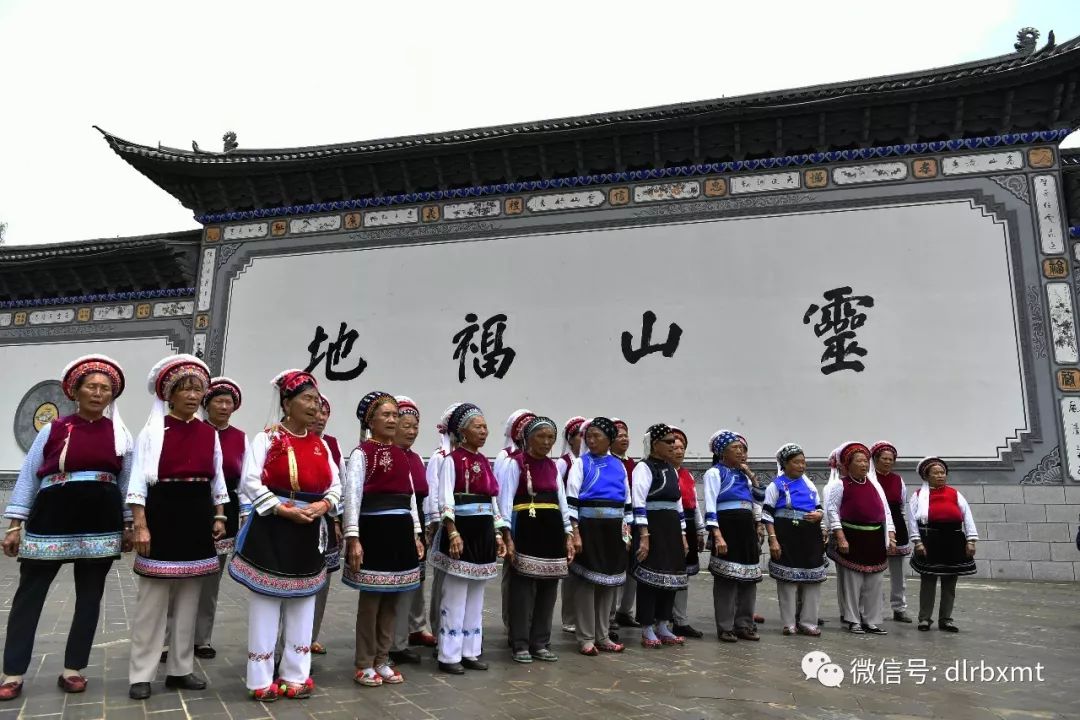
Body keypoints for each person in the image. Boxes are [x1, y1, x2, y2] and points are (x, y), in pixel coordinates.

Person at [0, 355, 133, 701]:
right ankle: (12, 671)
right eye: (91, 386)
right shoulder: (54, 429)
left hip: (100, 519)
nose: (98, 393)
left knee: (90, 598)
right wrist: (15, 525)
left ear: (111, 395)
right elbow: (30, 476)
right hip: (52, 515)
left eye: (105, 388)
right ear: (76, 391)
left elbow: (126, 482)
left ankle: (74, 668)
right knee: (29, 596)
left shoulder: (120, 433)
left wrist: (130, 523)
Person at [228, 369, 341, 701]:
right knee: (266, 605)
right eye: (307, 399)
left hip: (308, 531)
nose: (315, 406)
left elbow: (336, 486)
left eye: (317, 401)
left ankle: (296, 675)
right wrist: (281, 509)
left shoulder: (321, 445)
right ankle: (261, 679)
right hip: (273, 529)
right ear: (287, 403)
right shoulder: (268, 439)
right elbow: (250, 481)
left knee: (304, 605)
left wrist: (322, 506)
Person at [127, 355, 228, 700]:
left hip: (197, 513)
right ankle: (141, 672)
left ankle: (181, 669)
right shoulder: (153, 431)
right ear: (169, 394)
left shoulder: (208, 433)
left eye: (197, 388)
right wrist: (140, 524)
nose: (191, 394)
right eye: (183, 388)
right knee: (153, 599)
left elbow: (216, 479)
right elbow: (138, 480)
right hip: (163, 512)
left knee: (190, 598)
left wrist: (219, 515)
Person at [343, 392, 425, 687]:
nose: (393, 420)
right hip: (374, 532)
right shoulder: (361, 454)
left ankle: (382, 658)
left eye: (395, 415)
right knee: (371, 601)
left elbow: (411, 497)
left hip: (400, 531)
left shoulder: (403, 456)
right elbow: (352, 497)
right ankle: (364, 662)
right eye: (386, 415)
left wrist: (416, 533)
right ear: (370, 420)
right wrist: (353, 538)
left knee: (393, 598)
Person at [176, 378, 249, 662]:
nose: (223, 406)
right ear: (206, 404)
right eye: (217, 401)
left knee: (211, 577)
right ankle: (173, 637)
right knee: (182, 572)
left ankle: (201, 638)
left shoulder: (241, 437)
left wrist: (244, 513)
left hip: (225, 508)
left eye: (228, 402)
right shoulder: (195, 431)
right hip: (192, 503)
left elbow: (244, 480)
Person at [432, 403, 508, 674]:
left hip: (483, 531)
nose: (484, 431)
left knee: (476, 596)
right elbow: (445, 499)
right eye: (478, 426)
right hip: (463, 531)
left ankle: (470, 651)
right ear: (462, 432)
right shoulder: (451, 460)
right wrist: (452, 532)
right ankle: (449, 655)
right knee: (455, 594)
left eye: (485, 426)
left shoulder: (483, 462)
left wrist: (498, 532)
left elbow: (493, 500)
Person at [497, 416, 574, 663]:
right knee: (522, 589)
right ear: (528, 438)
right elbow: (506, 500)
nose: (546, 442)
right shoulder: (515, 464)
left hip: (551, 531)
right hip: (526, 528)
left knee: (548, 588)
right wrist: (507, 535)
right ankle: (519, 642)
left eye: (551, 437)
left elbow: (561, 502)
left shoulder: (552, 467)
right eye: (541, 436)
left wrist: (568, 534)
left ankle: (540, 641)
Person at [566, 417, 631, 656]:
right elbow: (571, 500)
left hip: (613, 529)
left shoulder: (619, 465)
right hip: (589, 526)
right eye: (588, 437)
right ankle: (585, 637)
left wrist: (627, 532)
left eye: (597, 436)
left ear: (609, 439)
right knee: (587, 585)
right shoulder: (581, 464)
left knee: (608, 585)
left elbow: (627, 502)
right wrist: (575, 533)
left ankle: (603, 635)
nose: (591, 441)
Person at [824, 441, 896, 635]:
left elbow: (886, 512)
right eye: (859, 461)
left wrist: (890, 535)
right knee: (852, 582)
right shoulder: (841, 485)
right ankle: (853, 619)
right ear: (849, 464)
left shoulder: (875, 485)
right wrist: (840, 537)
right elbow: (832, 510)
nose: (864, 464)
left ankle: (872, 620)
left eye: (866, 461)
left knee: (874, 582)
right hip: (852, 536)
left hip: (873, 537)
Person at [630, 424, 689, 648]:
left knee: (671, 577)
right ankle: (646, 627)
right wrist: (644, 535)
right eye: (668, 441)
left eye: (675, 441)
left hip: (671, 528)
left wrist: (682, 534)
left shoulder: (671, 469)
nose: (674, 445)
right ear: (655, 444)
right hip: (653, 527)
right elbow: (639, 501)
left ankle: (663, 624)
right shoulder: (643, 468)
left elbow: (678, 504)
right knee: (650, 579)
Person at [389, 396, 436, 665]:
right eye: (406, 425)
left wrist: (426, 525)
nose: (411, 431)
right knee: (395, 583)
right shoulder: (386, 455)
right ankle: (393, 640)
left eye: (415, 426)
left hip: (416, 519)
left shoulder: (417, 458)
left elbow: (423, 494)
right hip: (395, 520)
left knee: (416, 580)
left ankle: (411, 630)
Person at [703, 430, 763, 642]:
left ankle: (744, 624)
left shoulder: (743, 475)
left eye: (742, 448)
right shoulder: (715, 473)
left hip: (746, 528)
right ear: (722, 453)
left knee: (749, 579)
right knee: (726, 581)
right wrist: (717, 534)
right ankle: (725, 627)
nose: (741, 452)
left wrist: (751, 475)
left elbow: (759, 499)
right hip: (727, 528)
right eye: (735, 448)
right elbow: (710, 504)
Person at [762, 444, 827, 637]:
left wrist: (820, 516)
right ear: (785, 464)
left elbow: (819, 507)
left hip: (810, 536)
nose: (801, 466)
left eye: (803, 462)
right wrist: (773, 539)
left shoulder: (809, 484)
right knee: (787, 581)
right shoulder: (776, 485)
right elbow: (767, 514)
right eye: (796, 462)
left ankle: (808, 622)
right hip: (787, 535)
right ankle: (789, 623)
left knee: (812, 580)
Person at [907, 457, 978, 632]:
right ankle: (925, 619)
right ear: (926, 476)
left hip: (953, 541)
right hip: (930, 540)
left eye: (943, 473)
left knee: (950, 582)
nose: (940, 476)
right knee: (928, 581)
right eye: (936, 473)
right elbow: (912, 521)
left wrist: (971, 540)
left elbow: (967, 516)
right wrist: (917, 542)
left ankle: (946, 619)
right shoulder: (918, 496)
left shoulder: (955, 493)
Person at [309, 395, 345, 656]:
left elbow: (340, 484)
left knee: (323, 581)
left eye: (325, 413)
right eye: (316, 411)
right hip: (298, 515)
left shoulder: (332, 444)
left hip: (326, 518)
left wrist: (337, 520)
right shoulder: (282, 440)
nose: (320, 417)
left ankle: (311, 635)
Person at [494, 410, 535, 635]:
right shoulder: (508, 458)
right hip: (516, 518)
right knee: (514, 572)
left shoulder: (536, 459)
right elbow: (503, 494)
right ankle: (512, 619)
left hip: (534, 523)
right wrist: (504, 530)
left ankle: (529, 620)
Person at [425, 403, 462, 649]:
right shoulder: (441, 458)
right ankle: (440, 627)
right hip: (445, 523)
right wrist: (435, 522)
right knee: (443, 578)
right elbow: (434, 491)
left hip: (467, 523)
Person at [668, 427, 705, 639]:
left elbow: (694, 504)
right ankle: (661, 618)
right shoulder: (660, 473)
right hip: (669, 527)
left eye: (682, 447)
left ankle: (680, 620)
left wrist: (699, 530)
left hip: (688, 526)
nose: (679, 451)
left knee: (683, 577)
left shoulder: (687, 474)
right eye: (674, 447)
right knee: (666, 574)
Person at [871, 441, 912, 623]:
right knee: (875, 572)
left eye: (891, 459)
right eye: (884, 458)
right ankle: (875, 608)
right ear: (876, 459)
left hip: (897, 523)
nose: (887, 462)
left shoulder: (898, 480)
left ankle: (899, 608)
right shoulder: (870, 479)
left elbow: (902, 505)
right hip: (876, 526)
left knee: (899, 573)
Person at [556, 416, 586, 635]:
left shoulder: (589, 461)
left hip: (588, 520)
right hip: (568, 519)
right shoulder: (564, 463)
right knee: (571, 571)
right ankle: (569, 616)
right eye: (580, 436)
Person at [611, 419, 639, 631]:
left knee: (633, 569)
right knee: (615, 567)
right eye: (619, 435)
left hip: (634, 520)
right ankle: (610, 612)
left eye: (626, 435)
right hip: (615, 520)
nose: (624, 439)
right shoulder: (608, 462)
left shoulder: (634, 465)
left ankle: (626, 611)